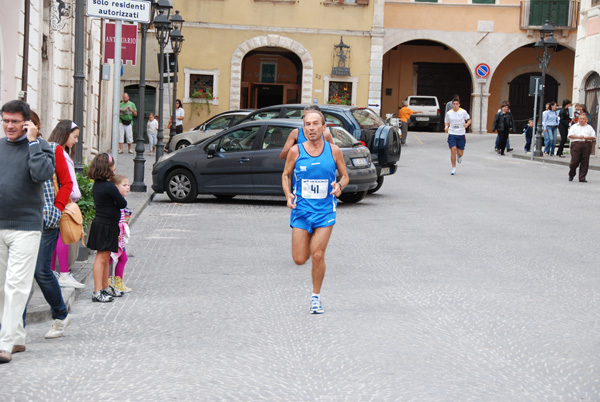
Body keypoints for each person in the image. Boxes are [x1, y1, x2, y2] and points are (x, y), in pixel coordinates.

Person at [0, 100, 54, 363]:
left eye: (14, 121)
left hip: (26, 228)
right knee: (1, 287)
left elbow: (41, 174)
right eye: (5, 121)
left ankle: (4, 344)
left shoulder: (41, 147)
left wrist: (33, 142)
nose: (9, 126)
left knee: (16, 286)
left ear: (27, 122)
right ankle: (17, 338)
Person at [15, 114, 74, 350]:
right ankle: (15, 331)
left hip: (45, 220)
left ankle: (60, 314)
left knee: (40, 270)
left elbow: (67, 182)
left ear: (35, 126)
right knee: (17, 277)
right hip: (18, 220)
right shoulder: (10, 150)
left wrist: (56, 209)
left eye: (25, 124)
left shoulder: (52, 149)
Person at [281, 110, 349, 314]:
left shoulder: (334, 150)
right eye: (308, 124)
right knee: (300, 259)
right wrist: (288, 195)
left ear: (323, 127)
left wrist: (339, 186)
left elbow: (345, 176)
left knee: (318, 254)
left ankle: (316, 297)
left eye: (315, 124)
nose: (311, 128)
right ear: (304, 128)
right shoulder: (296, 151)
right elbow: (285, 175)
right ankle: (309, 238)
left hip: (325, 212)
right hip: (301, 211)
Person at [47, 120, 84, 288]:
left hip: (60, 199)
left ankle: (54, 271)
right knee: (63, 236)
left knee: (57, 236)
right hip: (61, 200)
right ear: (64, 134)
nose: (76, 140)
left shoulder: (59, 150)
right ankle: (63, 273)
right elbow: (65, 180)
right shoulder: (58, 151)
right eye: (74, 137)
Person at [87, 153, 127, 302]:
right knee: (102, 258)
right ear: (107, 168)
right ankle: (97, 291)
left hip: (104, 224)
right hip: (106, 225)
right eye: (112, 166)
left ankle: (104, 287)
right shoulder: (109, 186)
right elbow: (122, 203)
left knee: (105, 257)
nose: (114, 169)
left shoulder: (98, 185)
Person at [109, 174, 132, 293]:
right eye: (124, 185)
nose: (127, 187)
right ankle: (110, 283)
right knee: (112, 258)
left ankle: (116, 283)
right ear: (115, 187)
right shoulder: (116, 202)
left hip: (120, 235)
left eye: (128, 185)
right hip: (116, 235)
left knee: (120, 258)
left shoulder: (122, 201)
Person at [444, 96, 471, 175]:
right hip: (452, 133)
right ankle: (453, 168)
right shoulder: (449, 113)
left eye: (456, 104)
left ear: (459, 104)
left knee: (460, 153)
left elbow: (469, 119)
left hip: (461, 134)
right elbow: (446, 122)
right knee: (453, 150)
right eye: (454, 104)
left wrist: (467, 124)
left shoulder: (463, 112)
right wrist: (446, 127)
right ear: (452, 105)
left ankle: (459, 157)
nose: (455, 105)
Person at [568, 113, 596, 182]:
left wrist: (588, 137)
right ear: (578, 119)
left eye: (584, 119)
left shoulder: (589, 127)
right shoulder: (574, 126)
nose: (582, 120)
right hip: (576, 144)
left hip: (586, 144)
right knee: (575, 161)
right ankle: (571, 174)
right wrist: (578, 137)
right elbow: (570, 135)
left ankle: (582, 177)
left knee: (585, 161)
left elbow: (593, 137)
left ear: (586, 120)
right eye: (581, 119)